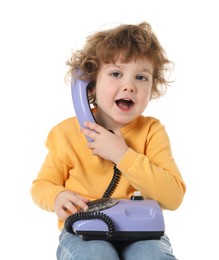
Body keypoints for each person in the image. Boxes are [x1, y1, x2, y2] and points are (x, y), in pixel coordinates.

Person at [31, 21, 186, 260]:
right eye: (115, 73)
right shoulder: (66, 133)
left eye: (141, 77)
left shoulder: (152, 132)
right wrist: (57, 196)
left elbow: (173, 197)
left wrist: (122, 155)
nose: (129, 86)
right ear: (89, 84)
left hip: (141, 233)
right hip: (85, 232)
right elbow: (41, 185)